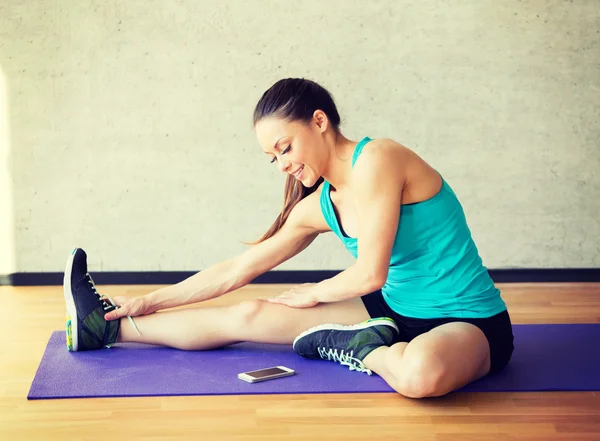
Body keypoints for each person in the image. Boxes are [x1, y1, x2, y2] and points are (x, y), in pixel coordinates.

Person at [63, 78, 514, 399]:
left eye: (284, 147)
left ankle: (364, 347)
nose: (280, 164)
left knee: (420, 376)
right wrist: (151, 300)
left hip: (468, 321)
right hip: (391, 310)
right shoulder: (319, 206)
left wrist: (314, 294)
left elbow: (371, 271)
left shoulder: (379, 158)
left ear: (319, 122)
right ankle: (105, 327)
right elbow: (238, 270)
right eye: (271, 157)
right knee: (249, 314)